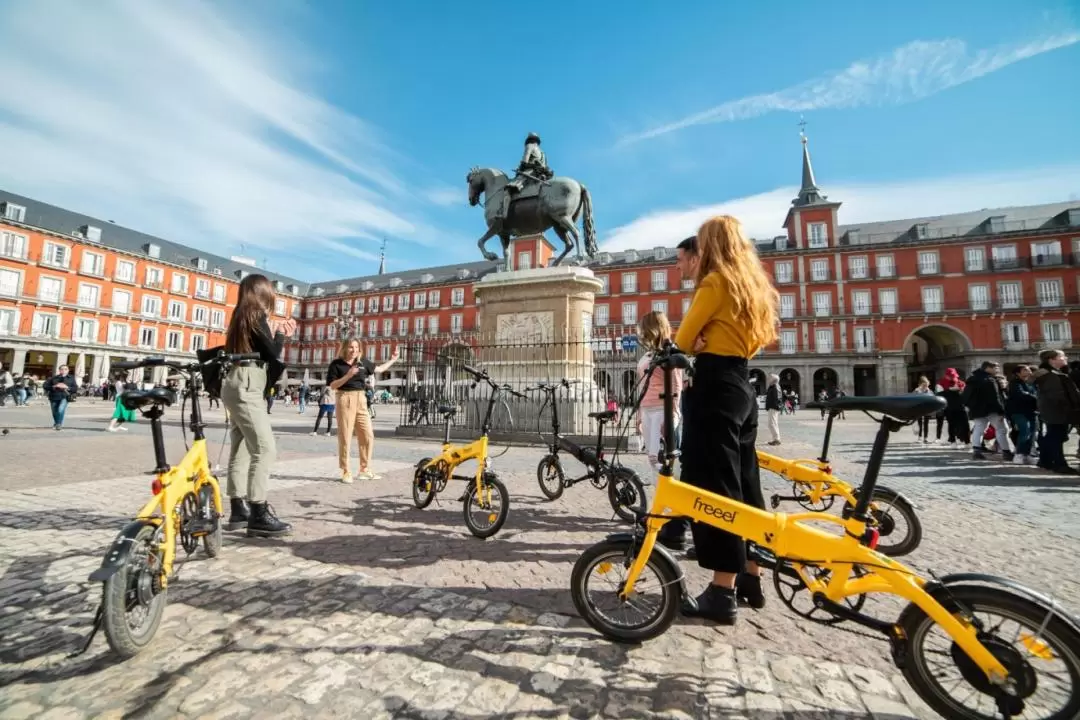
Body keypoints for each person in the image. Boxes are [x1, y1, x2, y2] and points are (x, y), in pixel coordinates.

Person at [667, 214, 777, 625]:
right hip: (742, 386)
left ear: (710, 245)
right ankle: (752, 575)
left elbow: (681, 340)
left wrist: (697, 341)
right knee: (746, 483)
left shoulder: (715, 284)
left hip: (714, 387)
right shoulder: (753, 287)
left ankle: (721, 590)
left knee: (714, 488)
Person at [221, 273, 295, 538]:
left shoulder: (239, 315)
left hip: (235, 380)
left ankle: (238, 509)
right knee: (264, 449)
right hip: (249, 382)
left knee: (240, 448)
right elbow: (272, 353)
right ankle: (258, 512)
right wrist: (281, 335)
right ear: (262, 291)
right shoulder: (255, 315)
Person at [327, 338, 400, 483]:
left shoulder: (362, 362)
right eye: (350, 347)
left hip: (361, 398)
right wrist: (348, 375)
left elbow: (379, 369)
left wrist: (393, 359)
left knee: (367, 435)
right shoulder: (336, 364)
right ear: (345, 348)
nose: (354, 350)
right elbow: (333, 385)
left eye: (356, 347)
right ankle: (346, 471)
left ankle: (364, 469)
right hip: (344, 397)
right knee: (345, 435)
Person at [635, 311, 682, 473]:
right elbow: (642, 386)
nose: (641, 334)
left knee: (662, 459)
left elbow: (676, 384)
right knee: (652, 460)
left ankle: (670, 490)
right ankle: (664, 491)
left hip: (662, 410)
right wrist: (639, 414)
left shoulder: (670, 352)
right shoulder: (650, 353)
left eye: (644, 329)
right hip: (647, 409)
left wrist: (674, 415)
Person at [1032, 350, 1080, 474]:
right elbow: (1057, 396)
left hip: (1055, 410)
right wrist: (1069, 409)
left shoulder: (1054, 373)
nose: (1065, 358)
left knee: (1054, 436)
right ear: (1052, 359)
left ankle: (1045, 460)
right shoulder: (1050, 375)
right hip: (1057, 411)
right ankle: (1059, 464)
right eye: (1062, 356)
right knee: (1056, 437)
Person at [962, 361, 1012, 460]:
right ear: (988, 368)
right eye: (996, 368)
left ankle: (977, 451)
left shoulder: (972, 379)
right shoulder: (990, 380)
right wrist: (1001, 410)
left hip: (976, 409)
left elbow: (965, 396)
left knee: (979, 429)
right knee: (1002, 429)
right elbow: (995, 397)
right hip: (992, 409)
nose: (997, 370)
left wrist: (970, 406)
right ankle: (1006, 452)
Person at [1005, 365, 1038, 465]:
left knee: (1032, 433)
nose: (1028, 371)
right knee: (1025, 431)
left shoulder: (1031, 383)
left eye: (1029, 370)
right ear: (1018, 373)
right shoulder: (1014, 383)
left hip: (1032, 411)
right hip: (1018, 411)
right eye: (1025, 370)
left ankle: (1027, 454)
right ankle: (1019, 454)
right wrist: (1035, 397)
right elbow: (1020, 394)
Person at [44, 365, 77, 430]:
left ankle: (59, 424)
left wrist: (67, 387)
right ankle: (57, 423)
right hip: (54, 396)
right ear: (59, 370)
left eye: (65, 369)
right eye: (62, 369)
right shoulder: (53, 378)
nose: (64, 370)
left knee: (60, 409)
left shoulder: (71, 378)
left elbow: (75, 388)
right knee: (54, 412)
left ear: (68, 370)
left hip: (65, 396)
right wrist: (54, 386)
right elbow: (45, 386)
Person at [912, 377, 934, 443]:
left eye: (926, 385)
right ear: (920, 384)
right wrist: (918, 390)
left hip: (926, 409)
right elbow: (912, 397)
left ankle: (925, 437)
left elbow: (933, 398)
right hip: (919, 409)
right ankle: (920, 437)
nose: (925, 386)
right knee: (920, 423)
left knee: (926, 424)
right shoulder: (916, 390)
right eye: (924, 385)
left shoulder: (929, 391)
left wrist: (928, 391)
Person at [764, 374, 782, 445]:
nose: (768, 379)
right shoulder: (773, 386)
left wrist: (773, 406)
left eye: (769, 378)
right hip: (773, 407)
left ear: (773, 379)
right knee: (773, 423)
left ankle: (776, 439)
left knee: (771, 424)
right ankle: (776, 439)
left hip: (773, 407)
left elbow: (777, 398)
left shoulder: (775, 387)